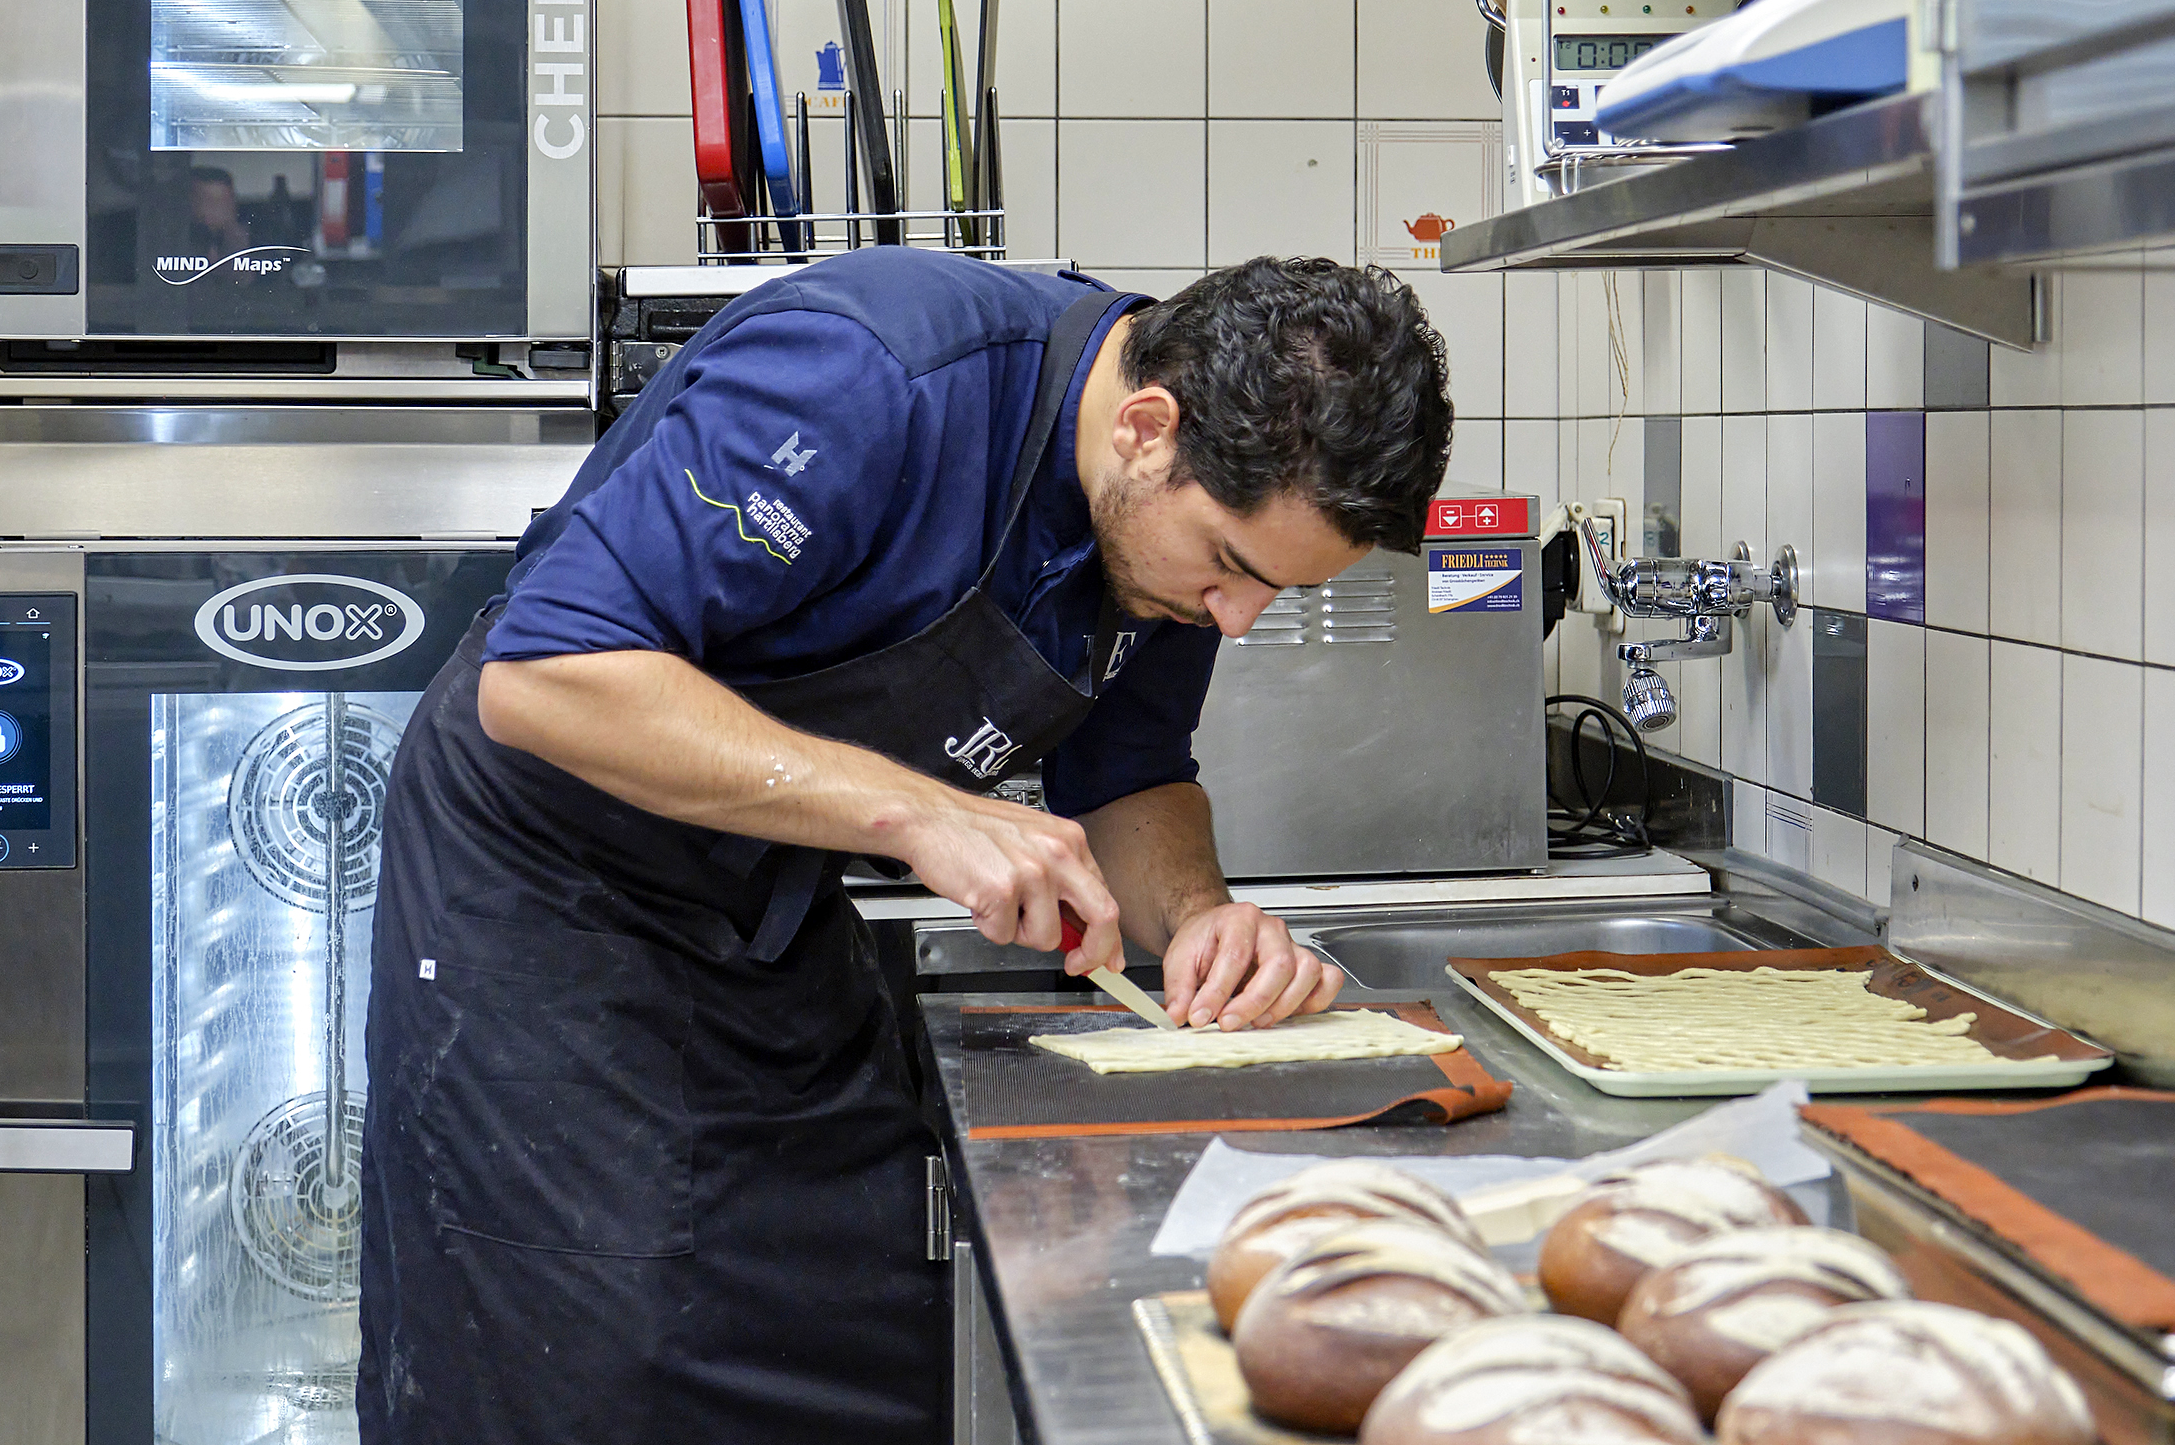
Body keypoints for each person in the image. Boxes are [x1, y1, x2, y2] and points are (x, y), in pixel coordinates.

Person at [357, 249, 1455, 1444]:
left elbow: (1130, 773)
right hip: (541, 904)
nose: (1238, 616)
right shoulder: (867, 375)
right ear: (1149, 427)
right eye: (1235, 569)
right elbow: (546, 676)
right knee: (590, 1353)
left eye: (1274, 594)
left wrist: (1197, 919)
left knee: (866, 1299)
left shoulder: (1164, 547)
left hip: (761, 910)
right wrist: (922, 813)